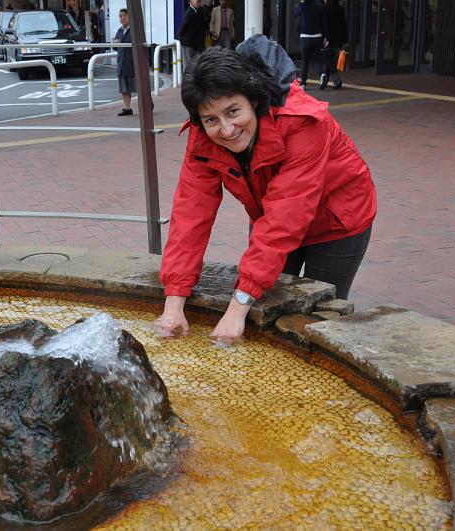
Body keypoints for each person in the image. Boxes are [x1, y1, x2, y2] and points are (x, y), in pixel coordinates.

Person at [155, 41, 377, 344]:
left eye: (233, 111)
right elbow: (190, 216)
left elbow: (285, 219)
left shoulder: (303, 122)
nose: (227, 130)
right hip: (268, 212)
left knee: (318, 320)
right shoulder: (202, 137)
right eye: (211, 120)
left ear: (254, 100)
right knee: (261, 308)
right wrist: (174, 302)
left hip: (337, 220)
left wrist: (234, 311)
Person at [293, 0, 326, 89]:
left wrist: (300, 3)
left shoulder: (302, 6)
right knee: (314, 60)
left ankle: (303, 84)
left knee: (305, 61)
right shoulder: (319, 7)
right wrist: (325, 37)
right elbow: (323, 23)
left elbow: (295, 14)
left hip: (305, 37)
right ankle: (322, 73)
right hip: (317, 37)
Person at [321, 0, 347, 89]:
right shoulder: (340, 9)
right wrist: (345, 39)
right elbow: (344, 24)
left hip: (329, 38)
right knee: (331, 60)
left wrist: (326, 38)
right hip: (339, 38)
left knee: (329, 59)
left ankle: (337, 79)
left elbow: (325, 24)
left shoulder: (325, 9)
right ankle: (325, 81)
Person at [113, 8, 134, 116]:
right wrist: (115, 43)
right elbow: (116, 48)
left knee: (138, 88)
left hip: (133, 64)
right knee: (124, 89)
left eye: (125, 15)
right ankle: (127, 108)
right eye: (120, 16)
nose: (123, 18)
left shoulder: (135, 31)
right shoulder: (119, 31)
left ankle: (148, 105)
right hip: (122, 64)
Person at [178, 0, 207, 72]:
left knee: (192, 64)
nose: (198, 2)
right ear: (190, 1)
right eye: (196, 1)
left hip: (193, 43)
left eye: (199, 1)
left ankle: (190, 81)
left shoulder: (197, 11)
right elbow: (183, 26)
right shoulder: (190, 12)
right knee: (187, 64)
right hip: (187, 43)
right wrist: (179, 37)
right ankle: (187, 81)